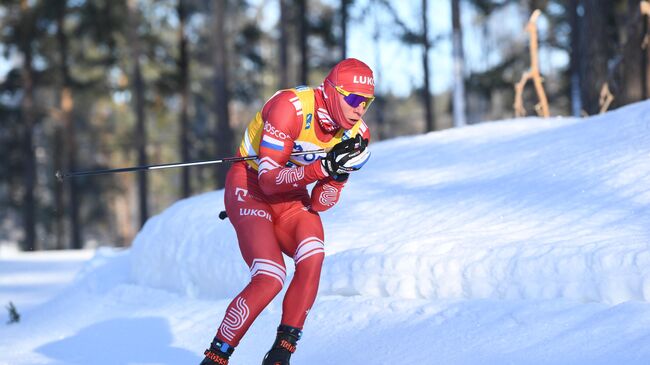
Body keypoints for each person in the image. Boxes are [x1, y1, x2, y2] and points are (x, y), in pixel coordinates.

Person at [200, 58, 375, 365]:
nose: (360, 109)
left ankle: (281, 353)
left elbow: (321, 202)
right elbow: (268, 182)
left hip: (291, 193)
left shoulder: (357, 135)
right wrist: (321, 167)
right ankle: (216, 357)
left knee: (313, 254)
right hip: (251, 185)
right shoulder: (290, 107)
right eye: (354, 99)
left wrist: (338, 174)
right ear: (332, 92)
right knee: (271, 275)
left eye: (367, 102)